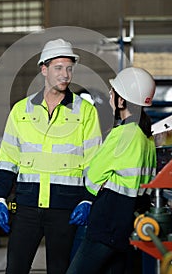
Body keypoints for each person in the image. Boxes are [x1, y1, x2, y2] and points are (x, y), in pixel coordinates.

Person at [0, 38, 102, 274]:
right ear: (44, 69)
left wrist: (87, 199)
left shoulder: (85, 112)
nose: (65, 75)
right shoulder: (21, 110)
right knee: (15, 269)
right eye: (58, 68)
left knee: (59, 270)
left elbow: (94, 162)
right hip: (27, 207)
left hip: (66, 208)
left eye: (69, 68)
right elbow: (8, 157)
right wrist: (0, 198)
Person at [66, 67, 157, 274]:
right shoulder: (146, 136)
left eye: (113, 92)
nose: (110, 96)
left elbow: (93, 176)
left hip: (108, 222)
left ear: (122, 101)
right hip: (129, 221)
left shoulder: (123, 134)